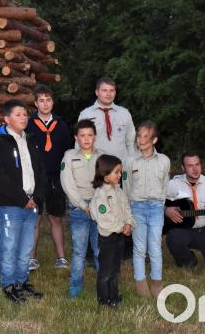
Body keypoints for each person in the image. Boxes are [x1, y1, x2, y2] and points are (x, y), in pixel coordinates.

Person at [0, 100, 47, 303]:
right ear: (6, 119)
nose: (24, 117)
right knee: (10, 246)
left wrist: (36, 197)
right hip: (10, 205)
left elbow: (40, 172)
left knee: (26, 247)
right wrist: (22, 199)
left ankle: (21, 282)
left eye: (25, 114)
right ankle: (8, 284)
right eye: (18, 114)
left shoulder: (30, 141)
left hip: (32, 204)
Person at [77, 76, 136, 259]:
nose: (108, 94)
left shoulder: (124, 114)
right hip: (97, 169)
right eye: (104, 90)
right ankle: (92, 251)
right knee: (97, 206)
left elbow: (131, 143)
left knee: (122, 204)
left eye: (112, 90)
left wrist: (131, 167)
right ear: (97, 92)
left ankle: (124, 247)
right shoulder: (86, 114)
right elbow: (79, 144)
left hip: (120, 171)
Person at [25, 85, 73, 271]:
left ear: (53, 102)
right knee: (34, 218)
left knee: (56, 218)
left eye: (48, 100)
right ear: (36, 103)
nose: (45, 104)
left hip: (55, 177)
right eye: (41, 100)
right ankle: (31, 257)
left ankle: (61, 257)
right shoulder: (28, 124)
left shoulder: (61, 125)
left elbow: (67, 151)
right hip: (35, 178)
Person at [123, 121, 170, 298]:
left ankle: (157, 282)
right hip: (137, 208)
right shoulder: (130, 161)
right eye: (139, 136)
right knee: (139, 247)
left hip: (156, 208)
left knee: (155, 247)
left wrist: (160, 204)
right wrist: (128, 213)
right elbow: (126, 187)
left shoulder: (164, 161)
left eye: (146, 137)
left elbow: (165, 184)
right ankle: (140, 281)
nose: (141, 140)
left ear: (154, 140)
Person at [59, 119, 102, 297]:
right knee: (79, 250)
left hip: (100, 208)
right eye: (82, 135)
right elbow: (68, 184)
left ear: (95, 137)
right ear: (76, 137)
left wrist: (98, 205)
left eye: (90, 135)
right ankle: (75, 286)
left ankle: (104, 285)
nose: (86, 139)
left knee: (100, 248)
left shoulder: (103, 157)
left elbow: (109, 183)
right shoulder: (69, 156)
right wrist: (84, 205)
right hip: (79, 208)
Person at [90, 154, 134, 307]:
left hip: (120, 237)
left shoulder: (119, 190)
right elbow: (104, 218)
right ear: (105, 174)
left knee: (115, 270)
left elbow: (126, 208)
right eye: (116, 172)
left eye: (120, 171)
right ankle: (104, 300)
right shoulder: (100, 195)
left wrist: (129, 223)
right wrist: (121, 227)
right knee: (105, 272)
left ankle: (113, 297)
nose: (120, 175)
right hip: (107, 238)